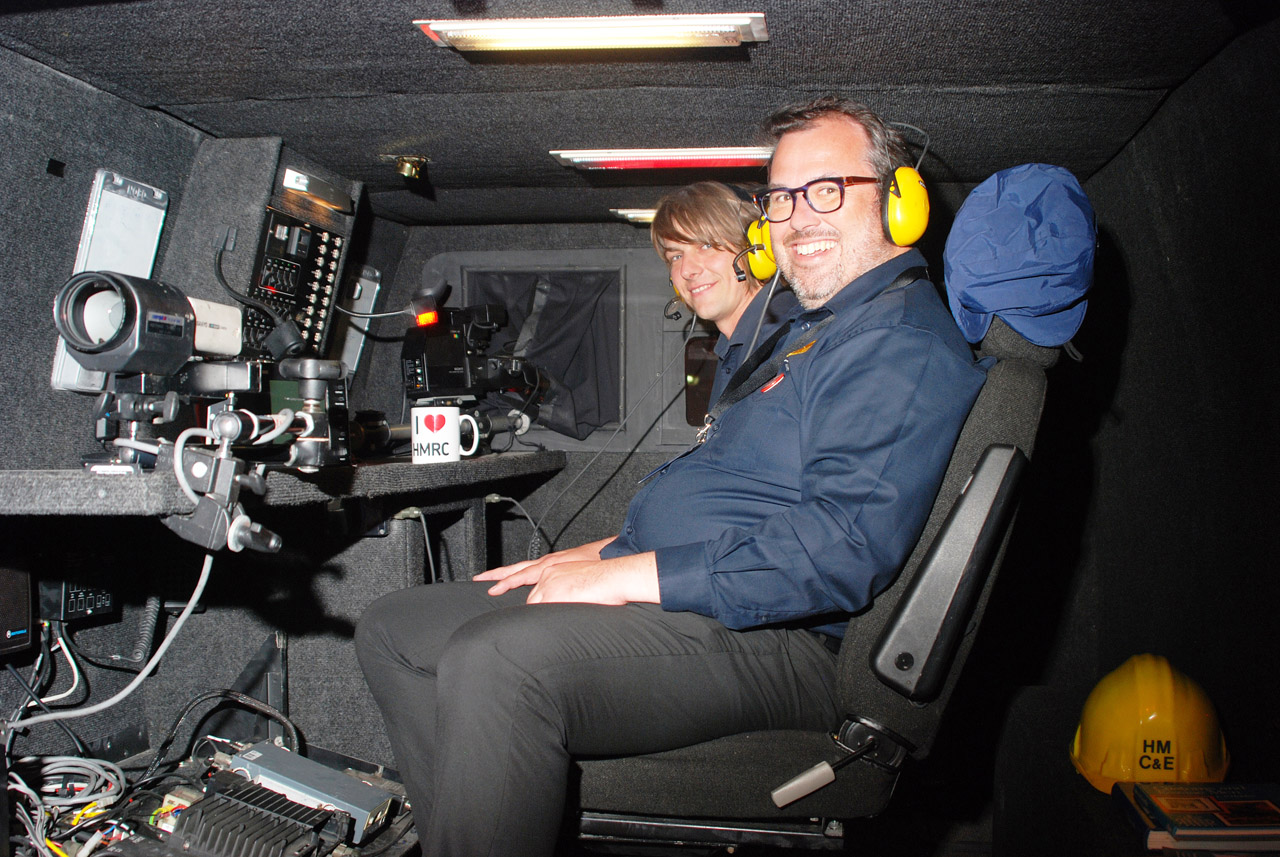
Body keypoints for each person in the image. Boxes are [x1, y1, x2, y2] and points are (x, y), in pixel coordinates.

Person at [355, 95, 987, 857]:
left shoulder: (896, 342)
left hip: (788, 640)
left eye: (827, 190)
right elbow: (745, 499)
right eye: (781, 198)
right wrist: (600, 555)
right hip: (718, 600)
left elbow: (835, 554)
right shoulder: (828, 332)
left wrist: (630, 574)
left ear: (897, 201)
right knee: (395, 629)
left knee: (498, 660)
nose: (797, 218)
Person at [651, 181, 797, 406]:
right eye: (676, 256)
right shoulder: (735, 349)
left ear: (755, 248)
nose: (688, 270)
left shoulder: (790, 347)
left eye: (706, 246)